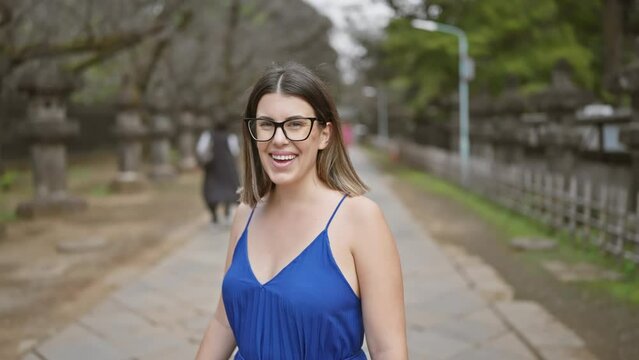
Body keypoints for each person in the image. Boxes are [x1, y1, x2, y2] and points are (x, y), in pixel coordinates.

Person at [196, 62, 407, 360]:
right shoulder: (246, 213)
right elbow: (224, 322)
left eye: (295, 124)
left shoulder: (360, 218)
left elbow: (388, 349)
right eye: (266, 124)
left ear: (324, 135)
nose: (278, 139)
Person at [197, 121, 240, 223]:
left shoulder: (208, 136)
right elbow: (235, 152)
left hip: (213, 167)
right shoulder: (230, 137)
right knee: (229, 191)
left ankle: (214, 216)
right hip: (227, 167)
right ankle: (227, 212)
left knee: (211, 192)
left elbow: (200, 150)